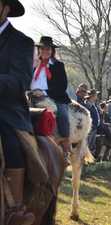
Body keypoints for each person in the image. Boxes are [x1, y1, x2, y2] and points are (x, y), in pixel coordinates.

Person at [0, 0, 47, 223]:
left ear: (5, 8)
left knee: (11, 145)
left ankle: (14, 208)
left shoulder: (21, 41)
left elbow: (19, 80)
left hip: (7, 109)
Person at [30, 36, 72, 166]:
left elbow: (62, 85)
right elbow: (23, 80)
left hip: (53, 96)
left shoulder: (58, 65)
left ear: (52, 50)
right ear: (39, 50)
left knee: (63, 117)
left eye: (48, 49)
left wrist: (44, 92)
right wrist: (31, 67)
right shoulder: (31, 63)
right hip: (30, 95)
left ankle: (66, 152)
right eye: (42, 49)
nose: (45, 52)